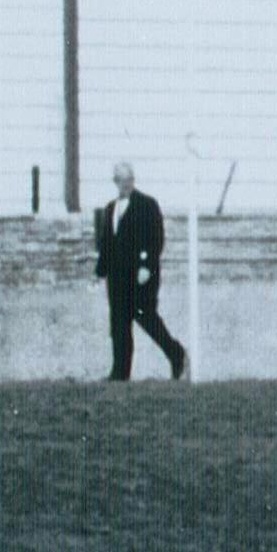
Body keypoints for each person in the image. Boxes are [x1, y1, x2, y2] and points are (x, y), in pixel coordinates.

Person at [93, 159, 189, 385]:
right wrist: (99, 272)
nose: (125, 184)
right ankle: (120, 373)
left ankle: (177, 355)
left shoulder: (147, 204)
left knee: (146, 317)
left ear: (133, 180)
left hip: (140, 274)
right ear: (115, 181)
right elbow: (107, 243)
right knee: (118, 323)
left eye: (129, 179)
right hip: (117, 277)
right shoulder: (110, 209)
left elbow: (155, 237)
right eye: (121, 180)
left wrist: (146, 265)